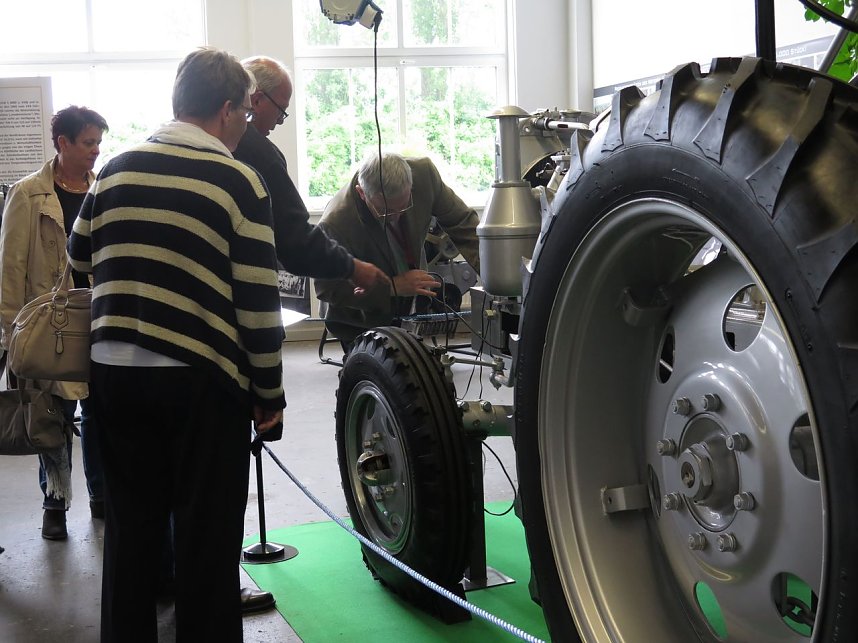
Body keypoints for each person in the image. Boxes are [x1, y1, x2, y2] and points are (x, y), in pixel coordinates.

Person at [67, 47, 285, 642]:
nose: (246, 122)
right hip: (201, 382)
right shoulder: (240, 182)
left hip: (115, 376)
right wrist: (269, 391)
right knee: (207, 540)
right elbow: (258, 303)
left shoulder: (114, 168)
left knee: (131, 533)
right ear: (224, 110)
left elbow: (78, 254)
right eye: (245, 110)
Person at [0, 105, 108, 540]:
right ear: (62, 143)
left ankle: (102, 495)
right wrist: (12, 335)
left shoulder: (103, 188)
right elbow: (11, 268)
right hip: (51, 326)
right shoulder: (28, 194)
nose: (96, 152)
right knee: (51, 416)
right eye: (88, 143)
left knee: (101, 414)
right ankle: (56, 502)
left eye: (99, 143)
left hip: (99, 319)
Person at [235, 56, 388, 289]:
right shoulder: (262, 156)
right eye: (281, 111)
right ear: (256, 101)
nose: (280, 122)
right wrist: (354, 268)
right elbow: (295, 242)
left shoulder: (213, 146)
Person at [315, 151, 481, 346]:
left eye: (403, 206)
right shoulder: (335, 222)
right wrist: (393, 287)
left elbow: (463, 224)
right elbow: (329, 289)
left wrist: (495, 275)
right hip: (358, 318)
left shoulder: (424, 175)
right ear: (362, 193)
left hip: (409, 310)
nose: (395, 216)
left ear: (411, 185)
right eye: (386, 211)